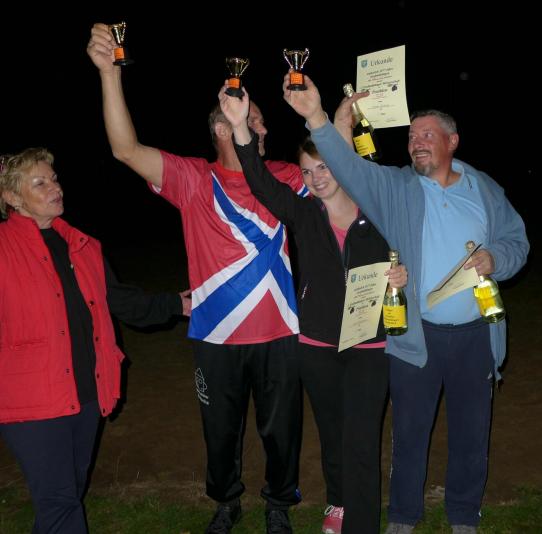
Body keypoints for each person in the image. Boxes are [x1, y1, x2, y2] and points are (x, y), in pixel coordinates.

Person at [283, 73, 529, 534]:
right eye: (412, 136)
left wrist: (497, 258)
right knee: (410, 433)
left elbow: (518, 242)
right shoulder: (398, 187)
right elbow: (350, 169)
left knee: (472, 432)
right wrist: (318, 118)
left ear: (452, 142)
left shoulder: (484, 190)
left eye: (427, 135)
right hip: (419, 336)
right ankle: (402, 516)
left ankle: (463, 515)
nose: (416, 142)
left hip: (477, 335)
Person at [87, 24, 306, 534]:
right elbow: (125, 149)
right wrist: (108, 75)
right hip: (216, 335)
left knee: (282, 431)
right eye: (252, 117)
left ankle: (278, 503)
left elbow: (344, 189)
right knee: (220, 432)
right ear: (223, 129)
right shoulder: (192, 179)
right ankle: (226, 502)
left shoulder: (287, 177)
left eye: (260, 119)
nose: (262, 127)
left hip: (279, 333)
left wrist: (342, 122)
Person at [220, 84, 408, 534]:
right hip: (318, 344)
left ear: (342, 164)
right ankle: (338, 502)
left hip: (370, 344)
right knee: (332, 432)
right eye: (307, 172)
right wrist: (241, 126)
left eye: (324, 166)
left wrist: (405, 276)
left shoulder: (378, 210)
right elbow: (260, 181)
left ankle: (361, 524)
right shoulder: (304, 214)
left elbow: (413, 248)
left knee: (361, 438)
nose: (316, 177)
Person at [0, 148, 189, 533]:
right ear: (12, 197)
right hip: (32, 401)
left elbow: (120, 301)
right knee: (59, 502)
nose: (55, 188)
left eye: (54, 179)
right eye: (40, 183)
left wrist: (175, 304)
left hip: (86, 390)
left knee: (66, 495)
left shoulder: (81, 245)